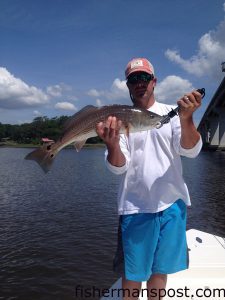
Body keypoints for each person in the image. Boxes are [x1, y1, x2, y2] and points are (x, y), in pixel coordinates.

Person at [96, 58, 203, 300]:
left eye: (144, 78)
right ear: (128, 85)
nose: (139, 83)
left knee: (160, 271)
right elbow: (117, 169)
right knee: (132, 275)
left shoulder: (171, 113)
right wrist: (112, 144)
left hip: (172, 205)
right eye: (134, 79)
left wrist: (187, 118)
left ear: (154, 82)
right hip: (135, 207)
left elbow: (190, 151)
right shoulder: (119, 118)